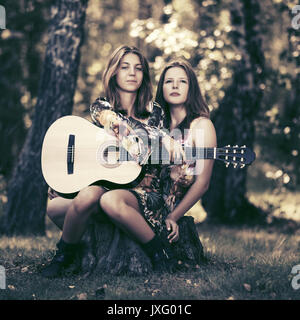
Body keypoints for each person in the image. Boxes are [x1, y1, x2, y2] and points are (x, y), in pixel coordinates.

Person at [41, 45, 182, 278]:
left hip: (142, 188)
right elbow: (104, 115)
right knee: (60, 205)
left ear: (144, 75)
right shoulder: (102, 106)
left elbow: (157, 147)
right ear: (114, 72)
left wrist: (167, 142)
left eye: (138, 68)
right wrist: (116, 123)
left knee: (105, 200)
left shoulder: (155, 111)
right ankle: (64, 257)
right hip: (109, 181)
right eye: (124, 67)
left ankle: (159, 254)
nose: (132, 73)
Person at [154, 59, 217, 251]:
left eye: (182, 81)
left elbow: (202, 183)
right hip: (143, 196)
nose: (174, 85)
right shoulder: (154, 125)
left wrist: (173, 216)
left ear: (192, 88)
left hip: (169, 206)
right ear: (161, 88)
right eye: (168, 81)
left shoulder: (201, 126)